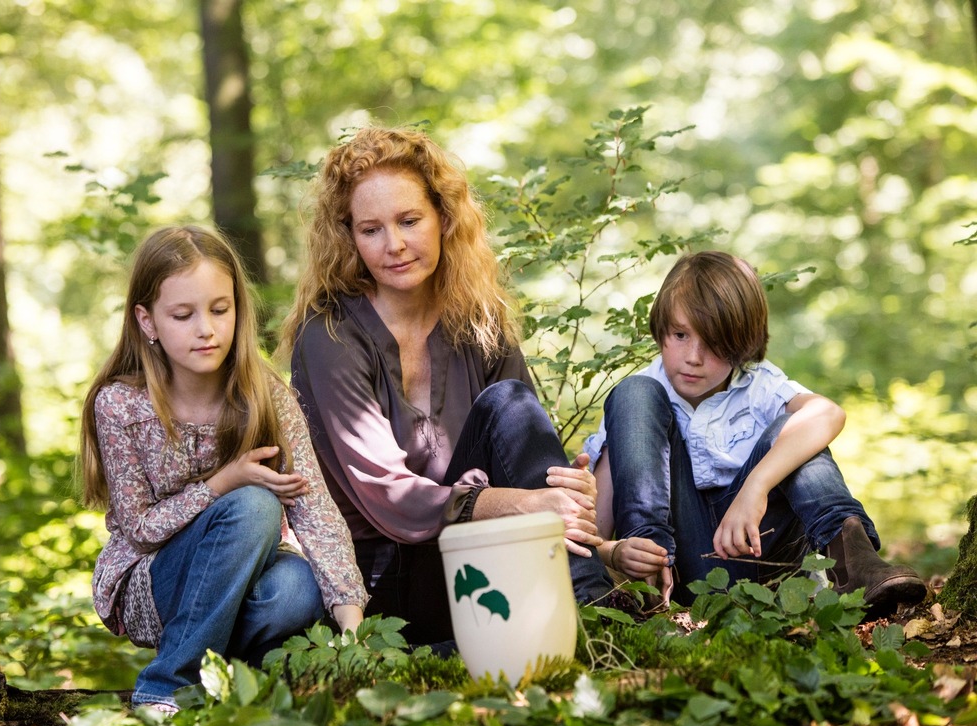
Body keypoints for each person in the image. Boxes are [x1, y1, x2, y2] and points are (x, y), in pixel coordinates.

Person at [279, 126, 616, 647]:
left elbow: (523, 452)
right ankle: (585, 615)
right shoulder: (329, 335)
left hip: (485, 561)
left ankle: (592, 609)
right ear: (349, 236)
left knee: (510, 403)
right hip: (379, 592)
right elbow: (391, 500)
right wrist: (526, 505)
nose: (393, 245)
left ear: (444, 217)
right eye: (371, 230)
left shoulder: (475, 318)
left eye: (409, 220)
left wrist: (567, 492)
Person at [79, 225, 367, 714]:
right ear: (147, 321)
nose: (206, 329)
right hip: (153, 582)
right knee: (255, 502)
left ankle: (234, 691)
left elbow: (315, 511)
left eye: (219, 309)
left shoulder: (268, 399)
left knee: (297, 588)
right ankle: (165, 687)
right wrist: (224, 482)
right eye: (183, 315)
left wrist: (355, 625)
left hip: (241, 585)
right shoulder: (122, 405)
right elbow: (142, 529)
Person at [584, 250, 927, 616]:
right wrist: (614, 552)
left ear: (740, 343)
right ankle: (647, 583)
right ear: (661, 330)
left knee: (794, 429)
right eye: (680, 335)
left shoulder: (759, 385)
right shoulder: (638, 399)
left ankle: (855, 564)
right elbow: (596, 535)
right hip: (682, 572)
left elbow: (828, 413)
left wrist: (755, 488)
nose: (693, 357)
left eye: (712, 343)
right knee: (634, 392)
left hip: (764, 559)